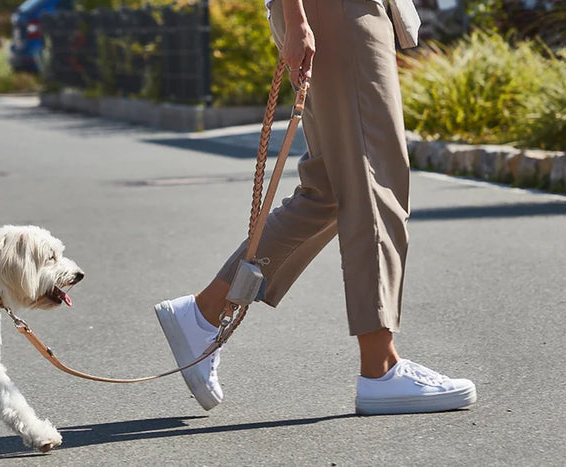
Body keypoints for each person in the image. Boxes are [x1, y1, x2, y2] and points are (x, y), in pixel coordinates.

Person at [152, 0, 476, 415]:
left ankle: (206, 312)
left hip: (332, 14)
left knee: (331, 191)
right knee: (373, 179)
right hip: (337, 12)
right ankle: (380, 368)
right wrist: (297, 19)